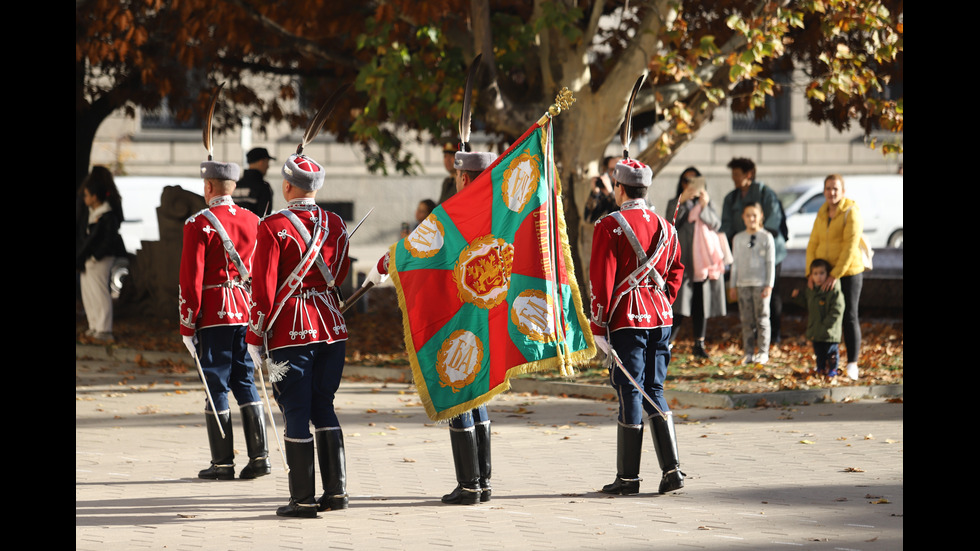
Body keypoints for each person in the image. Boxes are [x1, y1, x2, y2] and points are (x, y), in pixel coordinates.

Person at [246, 152, 351, 518]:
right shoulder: (335, 223)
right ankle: (336, 492)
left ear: (287, 185)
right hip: (333, 329)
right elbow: (340, 269)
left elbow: (263, 287)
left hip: (289, 332)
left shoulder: (272, 226)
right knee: (324, 405)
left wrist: (254, 335)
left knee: (294, 408)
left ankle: (303, 498)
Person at [589, 158, 685, 495]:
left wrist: (597, 325)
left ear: (619, 187)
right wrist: (662, 299)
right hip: (661, 317)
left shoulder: (609, 225)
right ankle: (671, 470)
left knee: (630, 390)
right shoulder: (667, 227)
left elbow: (601, 280)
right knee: (653, 388)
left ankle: (628, 479)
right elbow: (676, 271)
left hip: (627, 319)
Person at [178, 159, 270, 481]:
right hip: (245, 309)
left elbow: (191, 280)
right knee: (244, 379)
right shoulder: (254, 220)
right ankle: (260, 457)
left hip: (215, 312)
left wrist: (187, 324)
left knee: (215, 382)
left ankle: (222, 463)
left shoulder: (197, 224)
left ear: (208, 187)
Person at [720, 157, 786, 343]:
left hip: (769, 252)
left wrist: (754, 237)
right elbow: (726, 227)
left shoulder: (766, 194)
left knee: (770, 292)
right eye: (732, 174)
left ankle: (774, 335)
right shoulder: (731, 198)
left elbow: (773, 224)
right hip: (743, 253)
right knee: (747, 295)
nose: (733, 178)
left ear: (749, 174)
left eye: (737, 174)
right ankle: (753, 336)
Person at [805, 174, 864, 380]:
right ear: (824, 191)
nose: (832, 192)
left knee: (849, 316)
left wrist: (835, 274)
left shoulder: (850, 212)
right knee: (824, 317)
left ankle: (852, 363)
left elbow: (850, 246)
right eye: (828, 188)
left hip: (848, 272)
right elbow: (813, 244)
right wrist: (810, 273)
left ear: (843, 191)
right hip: (824, 273)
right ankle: (827, 362)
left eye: (836, 189)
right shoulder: (821, 213)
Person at [665, 167, 727, 359]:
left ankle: (698, 343)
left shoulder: (708, 203)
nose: (690, 184)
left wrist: (704, 206)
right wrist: (681, 203)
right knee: (679, 304)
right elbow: (669, 224)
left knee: (702, 303)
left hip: (703, 263)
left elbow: (716, 224)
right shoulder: (674, 202)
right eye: (686, 180)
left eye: (694, 180)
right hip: (682, 261)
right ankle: (667, 343)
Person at [77, 167, 127, 342]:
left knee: (98, 291)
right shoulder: (98, 211)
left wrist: (94, 255)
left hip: (97, 257)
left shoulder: (106, 214)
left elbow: (106, 238)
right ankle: (96, 326)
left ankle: (103, 328)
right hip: (90, 256)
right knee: (90, 292)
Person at [727, 203, 776, 365]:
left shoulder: (766, 237)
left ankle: (763, 351)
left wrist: (769, 284)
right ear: (743, 217)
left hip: (760, 283)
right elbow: (735, 263)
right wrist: (733, 285)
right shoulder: (738, 238)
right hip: (743, 284)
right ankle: (748, 352)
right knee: (746, 320)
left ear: (761, 216)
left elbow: (770, 263)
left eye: (754, 215)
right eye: (748, 215)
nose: (751, 219)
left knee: (762, 318)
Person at [791, 259, 845, 379]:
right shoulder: (811, 290)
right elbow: (808, 304)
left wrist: (827, 324)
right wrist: (797, 297)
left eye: (821, 273)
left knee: (831, 351)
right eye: (815, 274)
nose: (819, 277)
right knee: (819, 352)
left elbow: (837, 309)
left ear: (827, 274)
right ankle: (820, 368)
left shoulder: (833, 290)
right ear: (811, 276)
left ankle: (833, 369)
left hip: (829, 330)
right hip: (816, 329)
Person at [234, 147, 276, 217]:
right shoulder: (263, 187)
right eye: (267, 162)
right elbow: (264, 217)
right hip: (254, 227)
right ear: (261, 162)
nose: (268, 166)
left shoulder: (235, 185)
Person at [583, 155, 621, 223]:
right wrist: (595, 193)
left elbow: (623, 213)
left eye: (615, 169)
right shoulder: (604, 188)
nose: (611, 173)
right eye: (609, 170)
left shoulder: (627, 189)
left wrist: (610, 194)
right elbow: (588, 218)